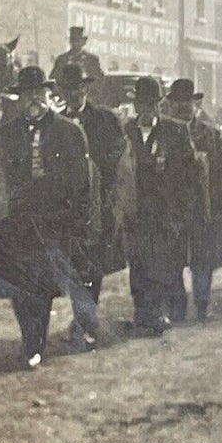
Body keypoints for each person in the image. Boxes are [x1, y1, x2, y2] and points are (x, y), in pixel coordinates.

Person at [0, 65, 95, 367]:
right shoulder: (6, 134)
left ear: (48, 95)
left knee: (44, 285)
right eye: (26, 95)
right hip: (18, 223)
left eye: (38, 93)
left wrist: (77, 220)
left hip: (55, 222)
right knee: (19, 285)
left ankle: (38, 342)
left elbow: (80, 182)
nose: (33, 100)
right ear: (19, 99)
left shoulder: (68, 131)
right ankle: (30, 340)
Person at [54, 61, 128, 350]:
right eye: (68, 90)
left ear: (87, 89)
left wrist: (96, 174)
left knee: (93, 266)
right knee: (74, 265)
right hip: (69, 207)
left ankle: (86, 321)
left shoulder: (105, 119)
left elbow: (117, 154)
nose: (74, 95)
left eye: (79, 89)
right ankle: (83, 318)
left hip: (98, 205)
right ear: (61, 91)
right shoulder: (56, 123)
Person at [123, 76, 200, 335]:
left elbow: (190, 177)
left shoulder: (175, 131)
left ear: (159, 104)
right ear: (135, 105)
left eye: (152, 103)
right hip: (136, 215)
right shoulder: (126, 132)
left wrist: (181, 213)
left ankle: (157, 313)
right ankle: (143, 314)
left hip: (166, 214)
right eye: (142, 103)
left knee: (164, 264)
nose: (147, 108)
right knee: (138, 266)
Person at [164, 78, 222, 321]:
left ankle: (202, 304)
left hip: (203, 210)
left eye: (187, 102)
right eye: (178, 103)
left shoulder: (210, 134)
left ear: (196, 104)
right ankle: (177, 308)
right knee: (172, 262)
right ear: (170, 105)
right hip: (171, 211)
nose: (183, 107)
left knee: (202, 261)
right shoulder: (163, 134)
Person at [51, 26, 105, 104]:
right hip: (65, 101)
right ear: (70, 41)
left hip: (86, 100)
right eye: (73, 40)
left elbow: (99, 80)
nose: (75, 43)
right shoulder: (62, 59)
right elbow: (54, 79)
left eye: (78, 40)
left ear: (84, 42)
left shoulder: (92, 60)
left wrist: (86, 92)